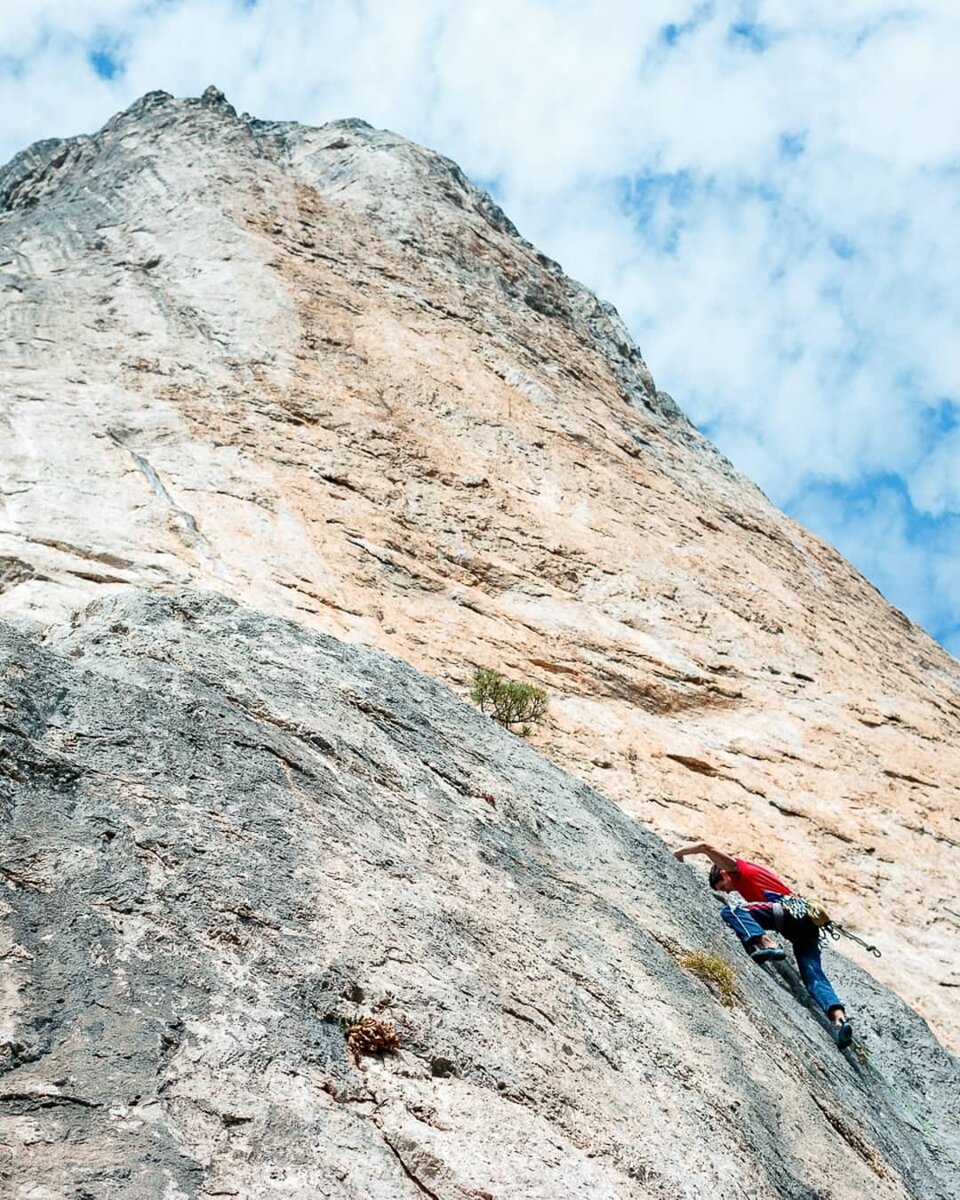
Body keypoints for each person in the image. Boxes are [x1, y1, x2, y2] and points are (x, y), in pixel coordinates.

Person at [674, 841, 853, 1048]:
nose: (727, 891)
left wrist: (680, 853)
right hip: (806, 925)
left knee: (731, 911)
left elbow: (706, 847)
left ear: (723, 874)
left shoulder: (739, 870)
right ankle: (840, 1019)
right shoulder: (751, 879)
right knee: (813, 976)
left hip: (784, 911)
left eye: (723, 887)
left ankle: (767, 943)